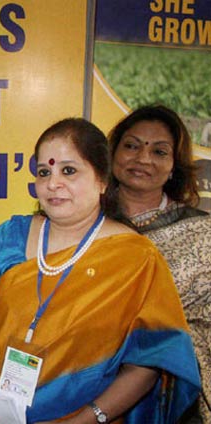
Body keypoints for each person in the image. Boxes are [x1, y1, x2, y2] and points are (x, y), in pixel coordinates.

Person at [0, 118, 200, 423]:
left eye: (68, 170)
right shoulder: (10, 237)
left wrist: (85, 419)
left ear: (102, 180)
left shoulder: (136, 259)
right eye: (44, 172)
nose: (53, 183)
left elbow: (146, 365)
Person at [109, 105, 211, 422]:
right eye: (132, 145)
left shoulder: (201, 233)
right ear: (112, 153)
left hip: (174, 394)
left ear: (173, 166)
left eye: (159, 151)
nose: (143, 159)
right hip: (84, 379)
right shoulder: (79, 222)